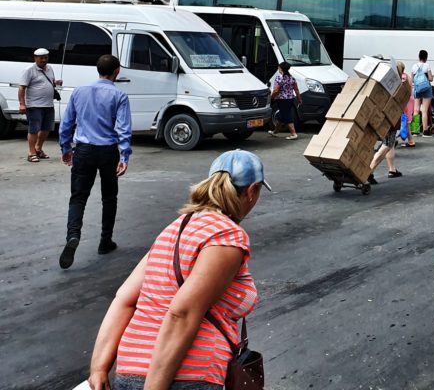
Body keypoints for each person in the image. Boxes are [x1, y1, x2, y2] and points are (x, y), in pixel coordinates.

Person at [87, 150, 268, 390]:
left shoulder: (175, 229)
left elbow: (125, 298)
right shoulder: (227, 236)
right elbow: (181, 312)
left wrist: (99, 367)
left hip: (130, 370)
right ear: (252, 190)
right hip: (185, 377)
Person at [58, 54, 132, 269]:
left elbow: (66, 124)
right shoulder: (119, 95)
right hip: (108, 151)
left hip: (84, 150)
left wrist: (65, 149)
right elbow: (123, 129)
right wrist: (124, 155)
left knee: (78, 197)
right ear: (116, 71)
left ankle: (73, 236)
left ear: (97, 70)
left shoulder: (79, 91)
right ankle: (104, 241)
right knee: (109, 197)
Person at [19, 47, 62, 162]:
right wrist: (22, 104)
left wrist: (56, 82)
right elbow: (22, 88)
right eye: (41, 58)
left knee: (46, 128)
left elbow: (50, 81)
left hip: (48, 104)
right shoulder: (29, 70)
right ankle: (31, 152)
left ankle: (38, 148)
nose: (43, 60)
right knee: (34, 129)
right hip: (34, 105)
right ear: (35, 58)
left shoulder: (50, 68)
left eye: (45, 58)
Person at [369, 61, 406, 182]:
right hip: (392, 119)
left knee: (390, 144)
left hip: (384, 118)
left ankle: (392, 169)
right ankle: (369, 170)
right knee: (387, 145)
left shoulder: (386, 83)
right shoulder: (399, 85)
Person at [269, 61, 302, 140]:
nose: (278, 68)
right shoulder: (292, 78)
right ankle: (275, 132)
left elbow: (276, 90)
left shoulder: (279, 78)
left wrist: (271, 98)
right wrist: (299, 99)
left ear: (281, 68)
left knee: (286, 116)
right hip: (290, 99)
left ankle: (294, 134)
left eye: (279, 67)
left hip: (282, 100)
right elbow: (296, 90)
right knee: (282, 115)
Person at [410, 49, 434, 137]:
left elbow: (412, 80)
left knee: (416, 110)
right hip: (426, 89)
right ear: (426, 57)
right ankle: (425, 131)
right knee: (424, 110)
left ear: (419, 57)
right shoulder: (427, 65)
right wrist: (430, 77)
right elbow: (430, 78)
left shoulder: (414, 66)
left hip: (417, 89)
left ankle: (415, 131)